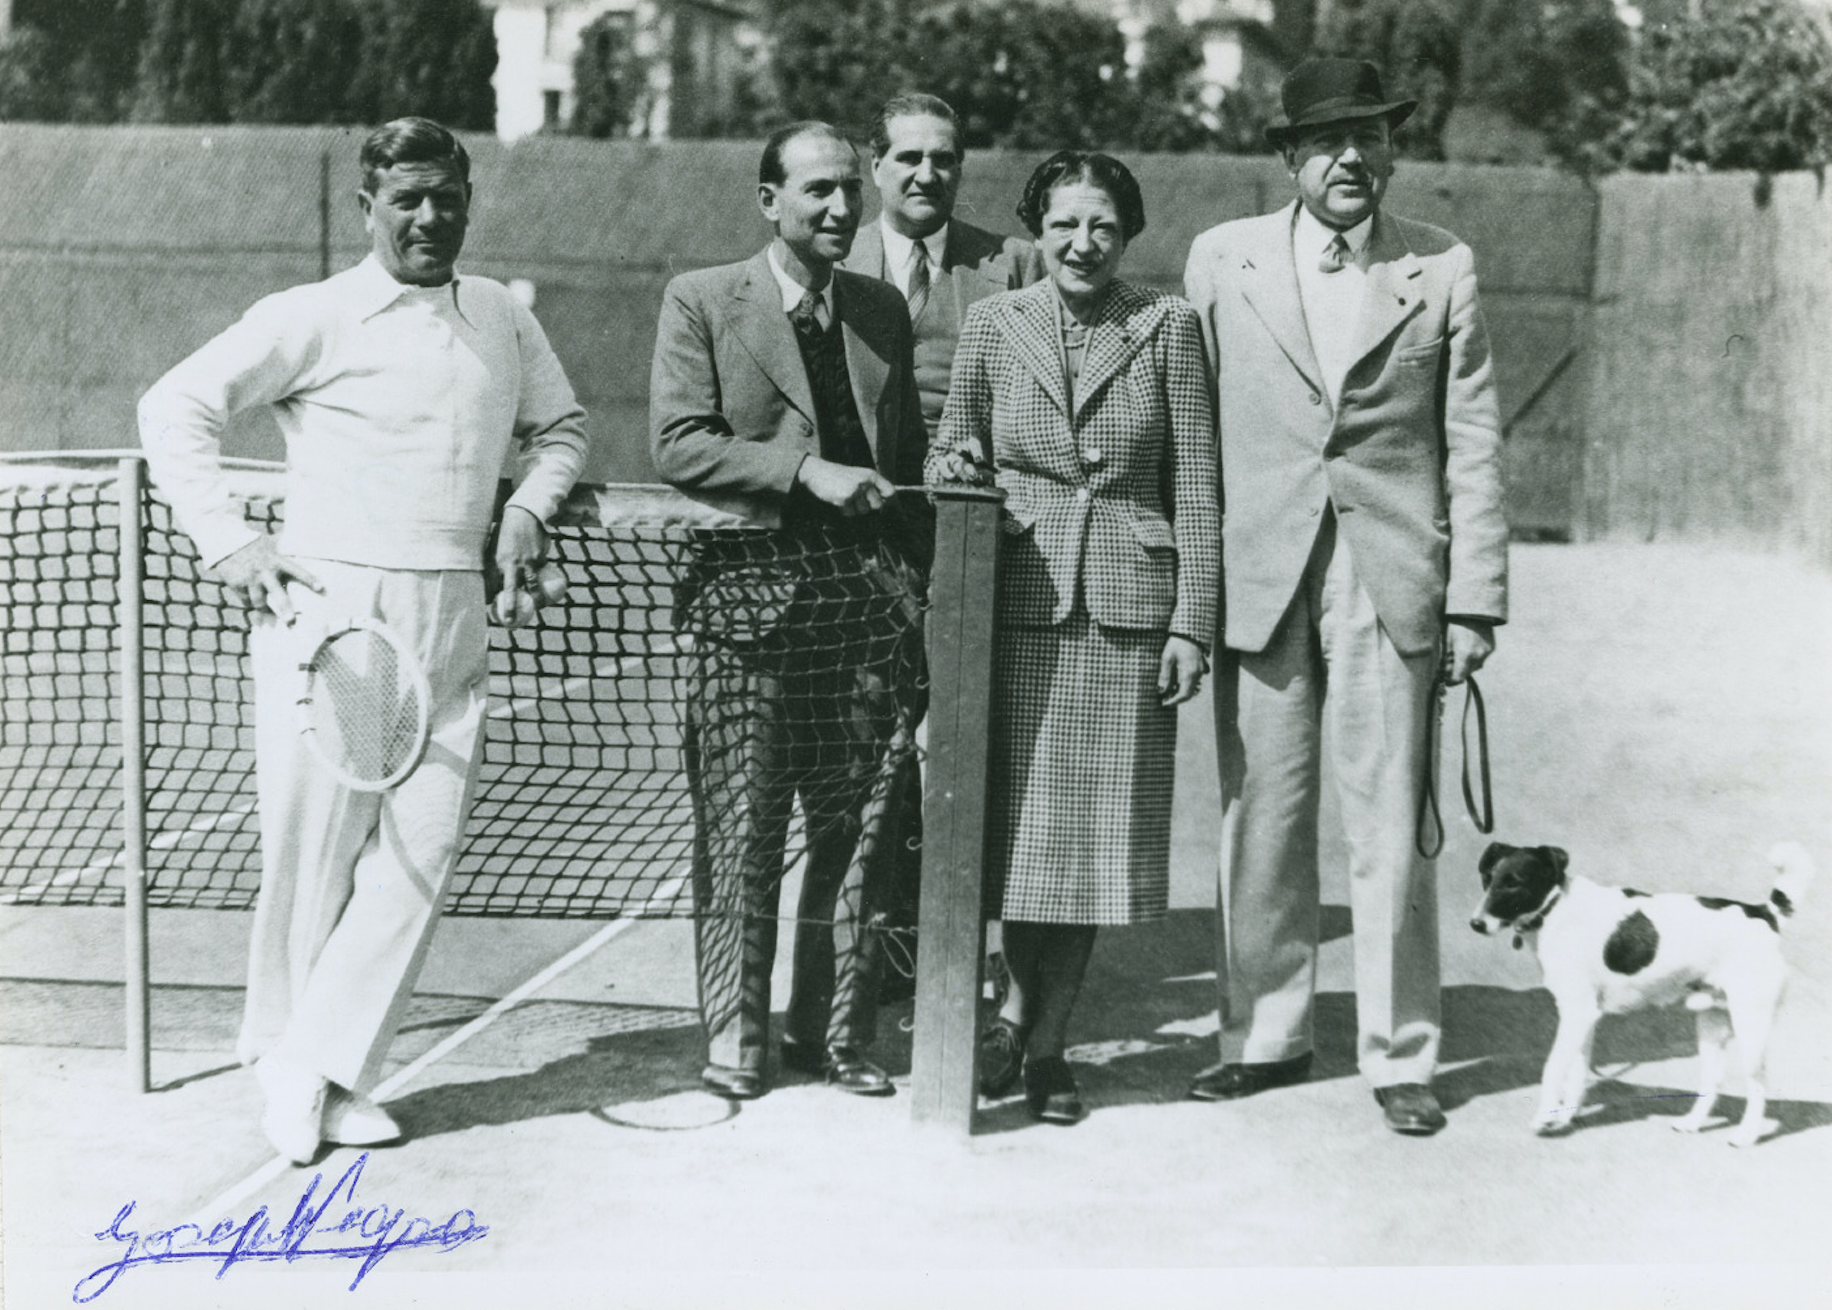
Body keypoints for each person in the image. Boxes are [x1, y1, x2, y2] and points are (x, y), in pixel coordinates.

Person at [137, 117, 588, 1163]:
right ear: (368, 207)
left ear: (468, 199)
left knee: (418, 856)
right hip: (335, 615)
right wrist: (230, 544)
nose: (431, 216)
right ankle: (301, 1072)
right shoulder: (315, 314)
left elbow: (562, 429)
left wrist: (525, 510)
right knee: (319, 851)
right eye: (408, 198)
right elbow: (176, 406)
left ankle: (312, 1062)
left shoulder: (501, 320)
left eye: (448, 195)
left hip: (453, 612)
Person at [1182, 58, 1509, 1136]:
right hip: (1259, 575)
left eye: (1368, 135)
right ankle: (1261, 1035)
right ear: (1286, 158)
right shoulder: (1219, 261)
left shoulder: (1441, 264)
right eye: (1325, 141)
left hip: (1389, 580)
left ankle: (1400, 1051)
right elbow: (1189, 436)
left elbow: (1470, 442)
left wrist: (1472, 601)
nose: (1349, 158)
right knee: (1259, 819)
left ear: (1390, 147)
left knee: (1389, 826)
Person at [927, 150, 1218, 1125]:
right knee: (1012, 844)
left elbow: (1194, 485)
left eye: (1100, 225)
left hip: (1128, 616)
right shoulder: (989, 324)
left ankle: (1041, 1042)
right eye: (1061, 225)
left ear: (1125, 232)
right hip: (1012, 603)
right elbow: (948, 444)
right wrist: (960, 456)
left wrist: (1191, 621)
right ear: (1033, 230)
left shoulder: (1167, 325)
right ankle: (1015, 1016)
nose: (1080, 243)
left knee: (1092, 850)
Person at [649, 121, 929, 1102]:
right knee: (743, 829)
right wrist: (804, 471)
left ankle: (830, 1030)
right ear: (769, 201)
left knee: (853, 834)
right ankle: (734, 1032)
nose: (840, 207)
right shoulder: (700, 299)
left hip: (864, 616)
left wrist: (918, 604)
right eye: (816, 191)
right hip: (748, 612)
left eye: (850, 188)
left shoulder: (882, 310)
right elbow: (678, 442)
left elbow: (901, 466)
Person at [840, 92, 1044, 997]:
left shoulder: (1013, 264)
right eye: (909, 158)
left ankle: (962, 947)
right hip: (857, 546)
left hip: (974, 545)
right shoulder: (824, 252)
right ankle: (874, 945)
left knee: (966, 745)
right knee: (866, 749)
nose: (928, 174)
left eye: (945, 159)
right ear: (874, 165)